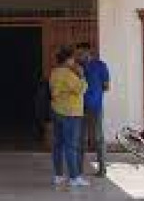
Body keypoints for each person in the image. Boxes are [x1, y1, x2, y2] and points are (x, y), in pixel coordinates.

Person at [49, 46, 89, 189]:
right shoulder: (68, 74)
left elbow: (54, 91)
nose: (74, 61)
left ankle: (58, 176)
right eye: (72, 58)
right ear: (67, 59)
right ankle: (74, 177)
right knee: (71, 146)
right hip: (71, 113)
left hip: (57, 111)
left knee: (58, 145)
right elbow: (81, 89)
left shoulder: (54, 72)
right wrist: (82, 76)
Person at [76, 43, 110, 178]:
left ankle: (102, 169)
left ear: (87, 52)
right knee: (80, 138)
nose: (78, 56)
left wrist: (94, 93)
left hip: (95, 107)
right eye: (77, 54)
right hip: (78, 108)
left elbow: (106, 86)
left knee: (98, 138)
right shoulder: (77, 67)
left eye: (80, 53)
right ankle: (78, 170)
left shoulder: (101, 66)